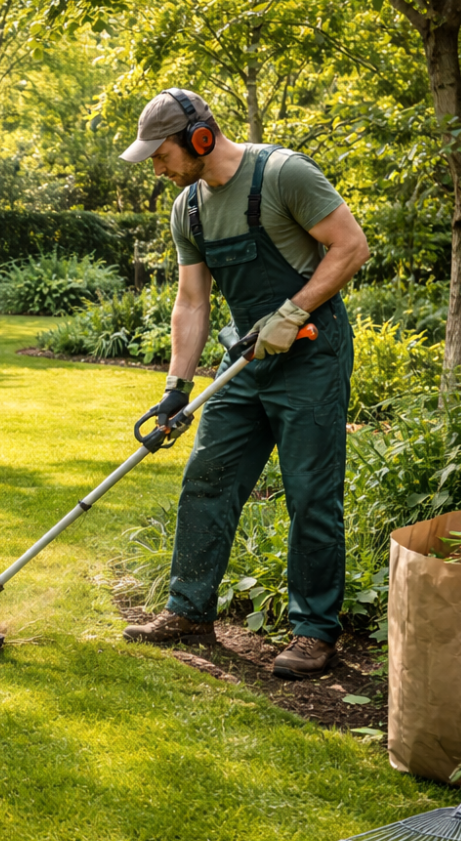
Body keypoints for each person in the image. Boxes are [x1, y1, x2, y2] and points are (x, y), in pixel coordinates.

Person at [117, 88, 370, 679]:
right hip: (246, 358)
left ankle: (314, 631)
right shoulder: (189, 209)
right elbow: (192, 301)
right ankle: (189, 611)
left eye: (161, 156)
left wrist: (294, 311)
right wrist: (177, 388)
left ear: (200, 138)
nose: (157, 170)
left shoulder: (283, 174)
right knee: (208, 477)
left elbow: (351, 246)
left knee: (310, 493)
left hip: (311, 352)